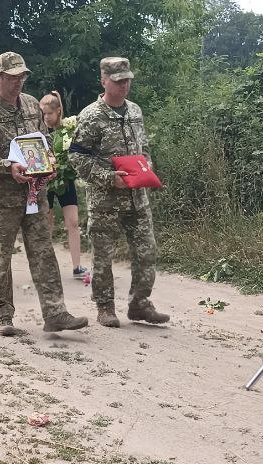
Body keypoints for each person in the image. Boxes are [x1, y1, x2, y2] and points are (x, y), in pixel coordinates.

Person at [0, 51, 88, 336]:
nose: (18, 81)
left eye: (22, 76)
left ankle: (55, 313)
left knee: (44, 253)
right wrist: (7, 166)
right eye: (12, 77)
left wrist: (50, 163)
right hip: (0, 199)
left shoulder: (33, 105)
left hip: (35, 195)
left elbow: (43, 142)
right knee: (2, 257)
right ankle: (3, 316)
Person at [68, 57, 169, 327]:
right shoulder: (91, 115)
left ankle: (140, 305)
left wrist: (147, 166)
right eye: (118, 81)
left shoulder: (135, 111)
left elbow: (143, 146)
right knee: (104, 256)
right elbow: (77, 156)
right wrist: (107, 178)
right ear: (104, 81)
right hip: (106, 200)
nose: (125, 85)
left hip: (137, 198)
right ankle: (105, 307)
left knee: (147, 252)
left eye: (127, 80)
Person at [40, 91, 87, 279]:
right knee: (47, 223)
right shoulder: (40, 132)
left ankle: (77, 267)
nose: (46, 118)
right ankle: (45, 267)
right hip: (45, 181)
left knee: (73, 222)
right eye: (43, 114)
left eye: (49, 114)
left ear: (58, 111)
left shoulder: (69, 130)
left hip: (64, 180)